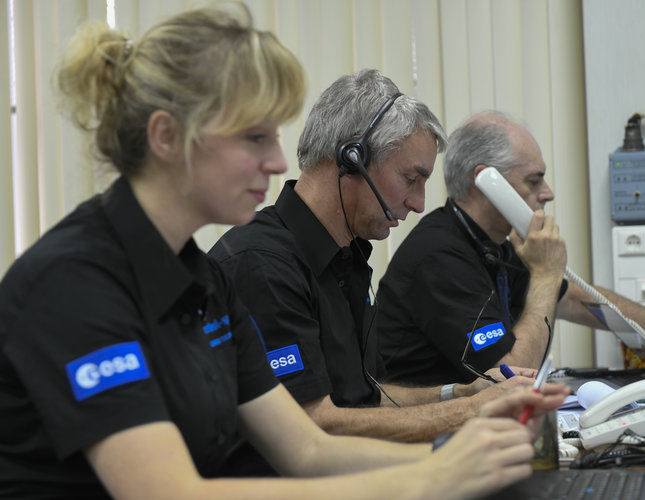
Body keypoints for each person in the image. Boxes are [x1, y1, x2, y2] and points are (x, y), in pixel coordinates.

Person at [0, 8, 567, 499]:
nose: (278, 162)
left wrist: (471, 459)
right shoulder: (75, 282)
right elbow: (165, 491)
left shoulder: (202, 281)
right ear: (167, 136)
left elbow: (309, 450)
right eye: (255, 138)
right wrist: (433, 477)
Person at [208, 69, 545, 453]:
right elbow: (313, 426)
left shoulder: (344, 259)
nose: (419, 204)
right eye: (411, 178)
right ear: (354, 158)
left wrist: (463, 392)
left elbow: (362, 400)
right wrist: (471, 411)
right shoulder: (263, 265)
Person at [376, 110, 645, 386]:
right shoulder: (439, 255)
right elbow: (512, 377)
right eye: (534, 180)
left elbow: (572, 299)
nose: (548, 193)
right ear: (487, 183)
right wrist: (545, 274)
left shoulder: (496, 241)